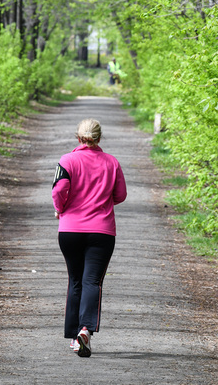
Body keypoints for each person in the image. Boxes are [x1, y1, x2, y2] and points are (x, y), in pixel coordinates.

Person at [52, 118, 127, 357]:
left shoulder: (67, 160)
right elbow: (121, 195)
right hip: (102, 232)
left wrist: (60, 208)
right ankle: (85, 330)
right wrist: (101, 200)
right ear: (99, 138)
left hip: (70, 230)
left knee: (75, 281)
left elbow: (59, 189)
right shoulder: (112, 162)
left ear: (78, 137)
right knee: (92, 281)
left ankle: (75, 337)